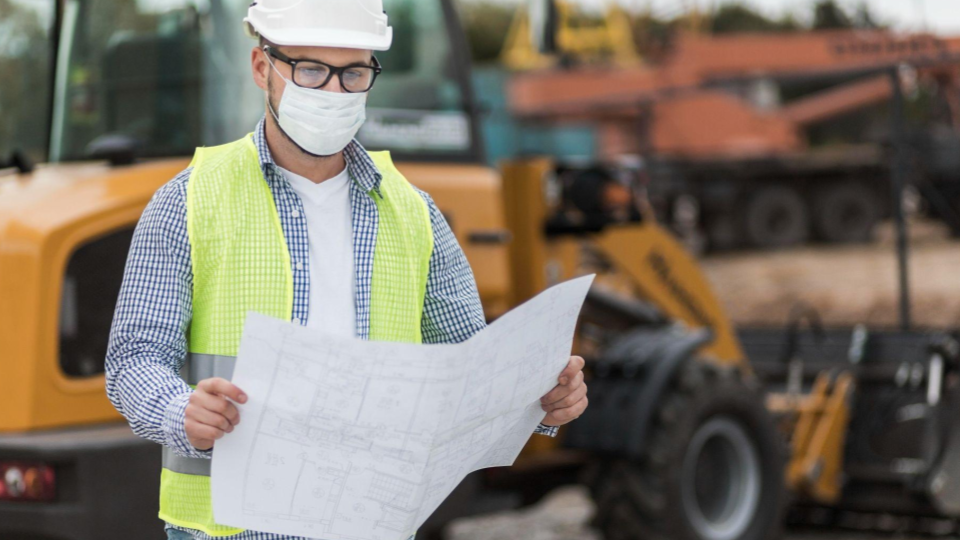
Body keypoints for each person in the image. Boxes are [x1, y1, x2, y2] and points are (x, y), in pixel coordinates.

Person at [104, 1, 588, 538]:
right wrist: (181, 413)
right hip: (228, 530)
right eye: (311, 70)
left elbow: (471, 375)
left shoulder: (415, 214)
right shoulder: (188, 202)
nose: (334, 93)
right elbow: (133, 359)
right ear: (263, 68)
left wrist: (542, 399)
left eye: (354, 73)